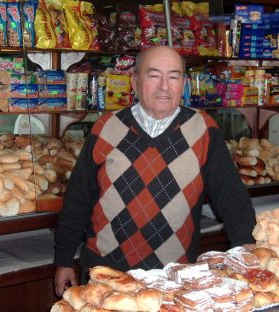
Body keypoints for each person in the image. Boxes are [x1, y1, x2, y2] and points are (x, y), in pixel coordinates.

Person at [53, 45, 256, 296]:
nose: (164, 86)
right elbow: (78, 199)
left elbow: (231, 196)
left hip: (173, 276)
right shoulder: (107, 127)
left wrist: (245, 248)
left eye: (173, 76)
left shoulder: (203, 129)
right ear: (135, 81)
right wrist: (64, 259)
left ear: (183, 83)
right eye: (153, 75)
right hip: (106, 272)